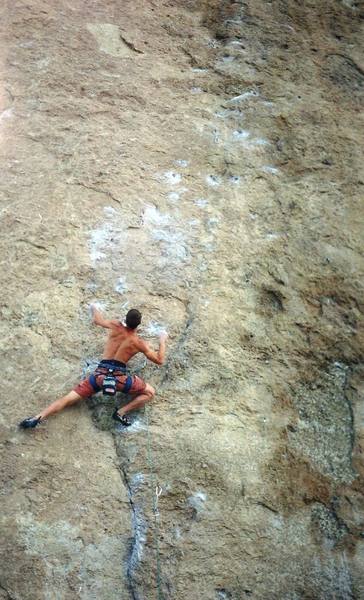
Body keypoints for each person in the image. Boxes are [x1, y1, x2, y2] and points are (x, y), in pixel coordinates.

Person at [19, 305, 168, 429]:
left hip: (99, 376)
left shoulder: (116, 326)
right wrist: (162, 340)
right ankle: (121, 412)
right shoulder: (139, 343)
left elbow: (97, 320)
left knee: (68, 398)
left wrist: (94, 307)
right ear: (138, 325)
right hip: (119, 379)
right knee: (150, 392)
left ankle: (37, 417)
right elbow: (159, 360)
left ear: (125, 320)